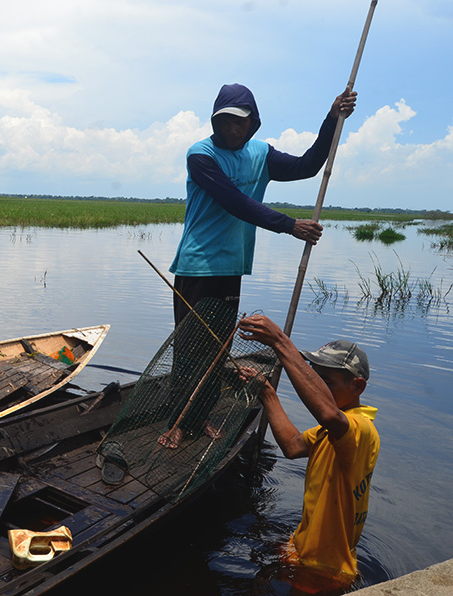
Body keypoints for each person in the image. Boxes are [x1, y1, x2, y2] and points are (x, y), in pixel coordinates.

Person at [159, 83, 357, 449]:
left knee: (219, 347)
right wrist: (289, 224)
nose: (232, 129)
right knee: (189, 348)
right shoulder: (201, 155)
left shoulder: (260, 153)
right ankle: (177, 422)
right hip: (197, 266)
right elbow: (235, 202)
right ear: (215, 123)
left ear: (252, 124)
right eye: (225, 122)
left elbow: (309, 165)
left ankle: (200, 416)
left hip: (232, 265)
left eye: (239, 123)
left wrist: (332, 120)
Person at [237, 313, 379, 584]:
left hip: (323, 570)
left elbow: (327, 414)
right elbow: (292, 445)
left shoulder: (360, 430)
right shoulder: (335, 431)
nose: (318, 386)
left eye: (327, 381)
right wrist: (266, 392)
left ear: (357, 386)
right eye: (316, 377)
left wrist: (280, 342)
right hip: (301, 550)